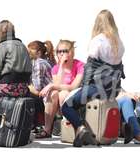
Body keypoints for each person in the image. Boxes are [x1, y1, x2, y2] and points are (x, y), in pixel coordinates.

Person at [61, 9, 125, 147]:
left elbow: (89, 67)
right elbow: (120, 69)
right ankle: (83, 133)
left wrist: (83, 87)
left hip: (97, 87)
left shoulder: (98, 41)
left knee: (66, 106)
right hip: (113, 89)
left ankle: (81, 128)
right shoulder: (119, 43)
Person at [36, 40, 84, 138]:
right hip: (59, 102)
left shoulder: (80, 65)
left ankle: (69, 129)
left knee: (63, 94)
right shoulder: (56, 68)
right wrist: (61, 65)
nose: (62, 54)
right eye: (59, 51)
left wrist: (51, 85)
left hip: (76, 97)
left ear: (72, 52)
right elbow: (57, 85)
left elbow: (74, 87)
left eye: (65, 51)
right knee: (53, 93)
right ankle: (47, 130)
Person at [27, 40, 54, 129]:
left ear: (39, 52)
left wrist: (26, 85)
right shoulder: (46, 61)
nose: (28, 52)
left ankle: (33, 124)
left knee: (25, 93)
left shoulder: (39, 63)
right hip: (49, 95)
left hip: (46, 97)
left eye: (31, 50)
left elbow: (37, 89)